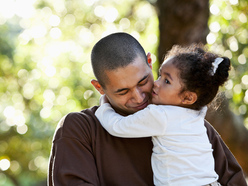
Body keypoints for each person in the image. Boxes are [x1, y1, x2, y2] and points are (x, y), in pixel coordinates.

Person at [48, 32, 247, 186]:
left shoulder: (188, 124)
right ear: (99, 88)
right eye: (123, 91)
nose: (139, 96)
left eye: (143, 81)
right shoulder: (80, 130)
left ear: (150, 63)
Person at [95, 44, 229, 185]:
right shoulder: (197, 113)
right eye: (160, 75)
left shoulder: (160, 115)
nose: (157, 84)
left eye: (166, 81)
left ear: (188, 98)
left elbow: (117, 126)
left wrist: (104, 105)